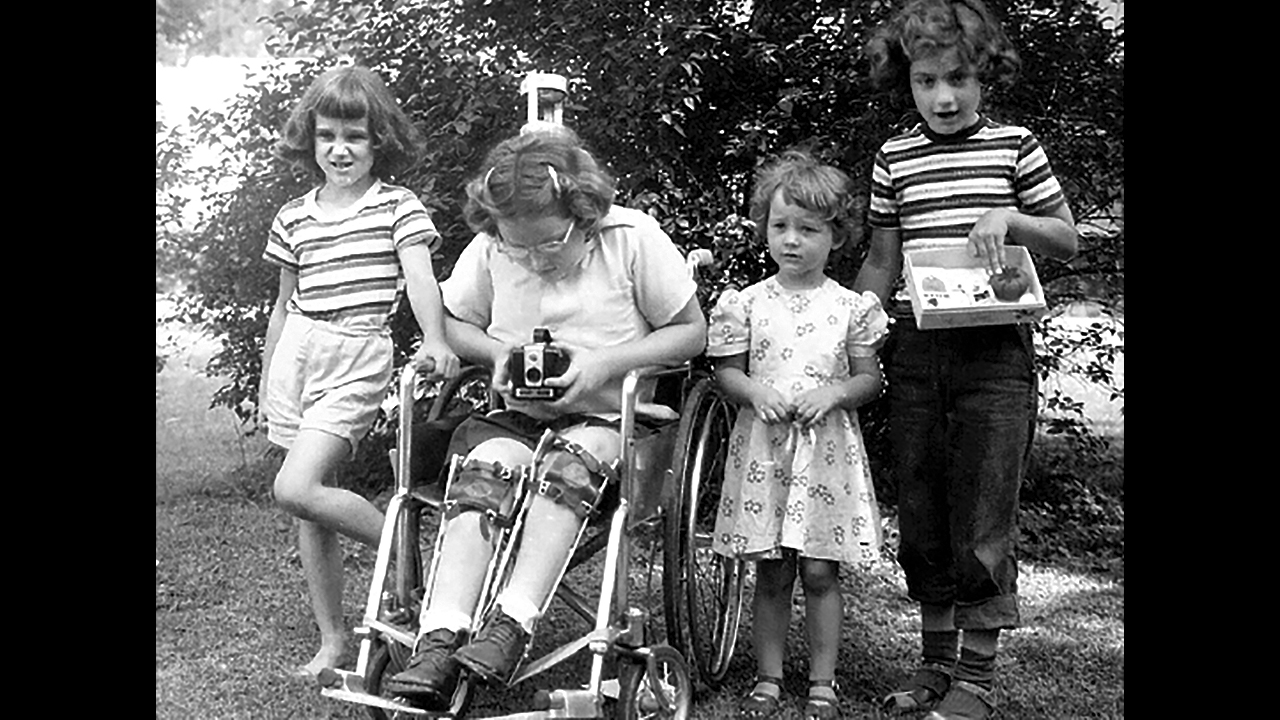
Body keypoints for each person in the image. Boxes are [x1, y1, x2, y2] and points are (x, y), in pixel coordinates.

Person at [384, 126, 707, 710]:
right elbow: (457, 322)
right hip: (518, 418)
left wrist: (601, 363)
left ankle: (513, 622)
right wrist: (496, 355)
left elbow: (691, 332)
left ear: (583, 214)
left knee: (568, 465)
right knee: (485, 468)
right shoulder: (492, 247)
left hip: (610, 422)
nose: (533, 260)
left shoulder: (630, 239)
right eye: (519, 249)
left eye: (548, 246)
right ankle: (440, 636)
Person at [856, 3, 1079, 719]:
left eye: (957, 79)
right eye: (925, 81)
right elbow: (882, 261)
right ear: (907, 81)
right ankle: (935, 666)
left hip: (995, 354)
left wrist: (1009, 219)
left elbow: (1067, 239)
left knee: (982, 513)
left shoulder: (1016, 146)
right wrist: (848, 324)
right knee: (922, 513)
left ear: (986, 76)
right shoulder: (895, 157)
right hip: (918, 351)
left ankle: (977, 682)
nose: (943, 98)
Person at [259, 65, 460, 679]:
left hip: (356, 353)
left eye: (355, 136)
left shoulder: (396, 206)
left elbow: (421, 279)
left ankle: (401, 551)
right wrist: (272, 372)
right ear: (310, 141)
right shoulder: (294, 215)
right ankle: (332, 640)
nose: (339, 150)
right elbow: (282, 301)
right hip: (298, 351)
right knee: (307, 508)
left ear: (380, 142)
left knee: (296, 486)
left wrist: (434, 338)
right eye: (326, 137)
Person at [708, 150, 888, 720]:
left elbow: (869, 380)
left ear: (836, 239)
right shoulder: (747, 303)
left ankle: (822, 681)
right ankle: (767, 676)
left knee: (818, 568)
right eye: (780, 226)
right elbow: (727, 372)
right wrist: (755, 392)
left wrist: (832, 393)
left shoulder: (850, 308)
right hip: (765, 450)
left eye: (808, 230)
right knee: (772, 567)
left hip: (824, 455)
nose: (791, 241)